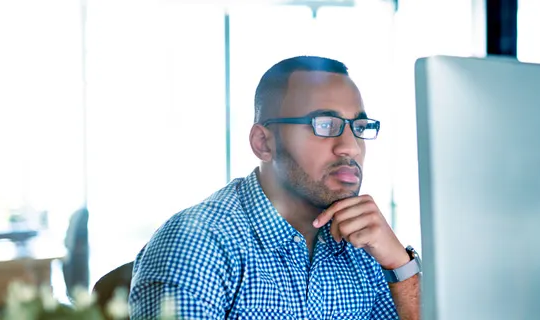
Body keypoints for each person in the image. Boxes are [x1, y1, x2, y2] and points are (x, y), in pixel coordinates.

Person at [129, 56, 421, 319]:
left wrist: (400, 265)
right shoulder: (198, 244)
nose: (351, 147)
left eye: (358, 127)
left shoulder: (364, 246)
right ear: (263, 143)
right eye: (325, 124)